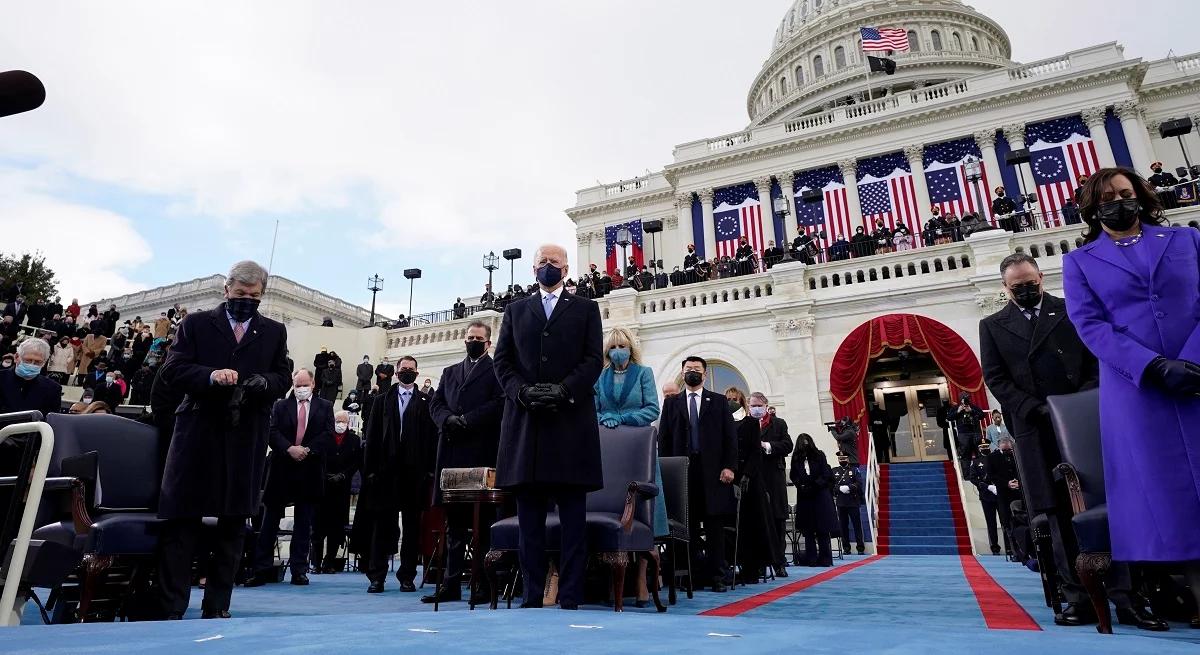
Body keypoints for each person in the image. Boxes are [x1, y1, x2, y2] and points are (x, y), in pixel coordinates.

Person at [1063, 167, 1200, 629]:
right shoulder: (1080, 262)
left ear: (1141, 195)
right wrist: (1154, 366)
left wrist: (1192, 360)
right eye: (1106, 197)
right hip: (1137, 388)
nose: (1117, 202)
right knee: (1164, 491)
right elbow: (1091, 327)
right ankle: (1187, 589)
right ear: (1091, 207)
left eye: (1124, 193)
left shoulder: (1185, 241)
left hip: (1198, 375)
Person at [155, 260, 291, 620]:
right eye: (241, 293)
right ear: (227, 289)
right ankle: (171, 608)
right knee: (182, 523)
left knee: (233, 526)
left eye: (254, 295)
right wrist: (211, 375)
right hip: (198, 432)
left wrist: (267, 384)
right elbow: (173, 370)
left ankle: (217, 607)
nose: (247, 300)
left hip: (245, 435)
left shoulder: (274, 331)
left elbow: (282, 376)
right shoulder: (197, 323)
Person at [492, 243, 604, 610]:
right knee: (530, 524)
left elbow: (592, 360)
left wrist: (564, 390)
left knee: (573, 522)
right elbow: (503, 361)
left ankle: (571, 595)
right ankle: (531, 595)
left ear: (566, 269)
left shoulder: (586, 309)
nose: (547, 267)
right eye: (541, 262)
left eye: (554, 262)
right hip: (527, 429)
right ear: (532, 269)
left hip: (570, 427)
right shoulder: (514, 310)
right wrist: (521, 392)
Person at [424, 321, 505, 605]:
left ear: (488, 342)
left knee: (482, 525)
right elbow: (435, 404)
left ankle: (482, 584)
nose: (473, 341)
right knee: (454, 526)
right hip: (452, 452)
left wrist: (468, 420)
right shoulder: (449, 373)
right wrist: (448, 419)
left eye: (478, 338)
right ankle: (451, 583)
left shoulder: (496, 370)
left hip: (481, 452)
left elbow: (499, 404)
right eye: (469, 337)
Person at [352, 355, 438, 593]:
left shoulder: (425, 402)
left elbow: (431, 440)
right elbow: (371, 437)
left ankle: (407, 576)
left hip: (414, 474)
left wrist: (429, 471)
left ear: (417, 374)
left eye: (411, 369)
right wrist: (369, 472)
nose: (407, 373)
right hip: (384, 474)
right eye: (403, 369)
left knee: (412, 528)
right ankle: (376, 576)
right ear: (396, 372)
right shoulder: (382, 401)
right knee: (382, 527)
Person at [593, 326, 664, 606]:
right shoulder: (600, 376)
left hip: (638, 450)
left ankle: (642, 578)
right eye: (612, 347)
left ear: (630, 348)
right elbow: (595, 409)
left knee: (644, 516)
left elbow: (652, 409)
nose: (617, 351)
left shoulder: (644, 373)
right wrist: (605, 417)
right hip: (609, 453)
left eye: (622, 346)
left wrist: (623, 418)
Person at [245, 369, 334, 587]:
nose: (301, 388)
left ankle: (299, 570)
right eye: (297, 384)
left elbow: (328, 434)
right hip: (282, 468)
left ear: (313, 384)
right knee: (269, 522)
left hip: (310, 468)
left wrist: (307, 450)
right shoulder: (280, 406)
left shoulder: (325, 407)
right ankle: (261, 569)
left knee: (304, 524)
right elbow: (272, 431)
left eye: (305, 384)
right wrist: (289, 449)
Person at [657, 356, 737, 592]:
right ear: (682, 374)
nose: (692, 372)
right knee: (686, 527)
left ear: (704, 374)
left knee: (714, 527)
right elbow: (665, 439)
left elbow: (729, 438)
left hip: (714, 473)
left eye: (697, 369)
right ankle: (688, 576)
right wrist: (667, 469)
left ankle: (717, 576)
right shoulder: (672, 404)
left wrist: (729, 466)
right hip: (683, 473)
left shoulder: (720, 401)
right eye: (688, 369)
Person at [726, 387, 778, 584]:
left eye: (734, 399)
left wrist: (747, 474)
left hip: (750, 481)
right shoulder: (723, 424)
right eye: (728, 399)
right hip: (730, 480)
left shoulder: (750, 423)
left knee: (752, 526)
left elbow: (755, 452)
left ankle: (753, 569)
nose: (731, 401)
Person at [0, 339, 62, 476]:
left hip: (24, 455)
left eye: (38, 362)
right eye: (28, 360)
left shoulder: (52, 389)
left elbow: (50, 423)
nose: (32, 365)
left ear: (44, 363)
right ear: (17, 357)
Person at [752, 391, 792, 576]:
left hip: (774, 477)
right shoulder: (746, 424)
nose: (755, 408)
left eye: (758, 405)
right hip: (754, 477)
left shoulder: (779, 424)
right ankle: (760, 563)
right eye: (752, 405)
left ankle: (779, 563)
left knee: (777, 521)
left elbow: (787, 445)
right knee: (758, 521)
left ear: (766, 405)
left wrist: (767, 446)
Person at [790, 433, 836, 567]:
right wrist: (801, 485)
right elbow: (794, 475)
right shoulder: (796, 458)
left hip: (820, 495)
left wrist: (816, 485)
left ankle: (826, 559)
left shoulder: (819, 455)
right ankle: (811, 559)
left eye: (806, 442)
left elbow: (826, 473)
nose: (805, 445)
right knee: (808, 530)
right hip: (805, 497)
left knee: (822, 529)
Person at [967, 438, 1007, 555]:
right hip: (986, 495)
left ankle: (1010, 547)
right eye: (982, 447)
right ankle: (995, 547)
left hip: (1000, 494)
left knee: (1005, 521)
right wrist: (984, 486)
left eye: (986, 447)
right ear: (979, 449)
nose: (984, 449)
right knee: (991, 523)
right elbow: (973, 477)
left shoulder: (996, 458)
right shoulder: (976, 462)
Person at [832, 450, 865, 555]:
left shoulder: (854, 470)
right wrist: (839, 489)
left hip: (852, 501)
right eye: (840, 459)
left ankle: (860, 547)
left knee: (857, 525)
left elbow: (859, 483)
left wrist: (849, 487)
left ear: (848, 459)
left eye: (844, 458)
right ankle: (846, 548)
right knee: (843, 526)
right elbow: (831, 484)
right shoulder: (834, 471)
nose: (842, 460)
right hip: (841, 502)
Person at [949, 392, 983, 474]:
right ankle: (967, 475)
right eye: (964, 398)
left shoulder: (973, 407)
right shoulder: (956, 407)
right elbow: (949, 418)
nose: (966, 400)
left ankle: (981, 473)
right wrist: (958, 411)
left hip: (975, 432)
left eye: (967, 398)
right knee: (965, 455)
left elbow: (982, 415)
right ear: (961, 399)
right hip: (963, 434)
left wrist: (972, 411)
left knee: (979, 453)